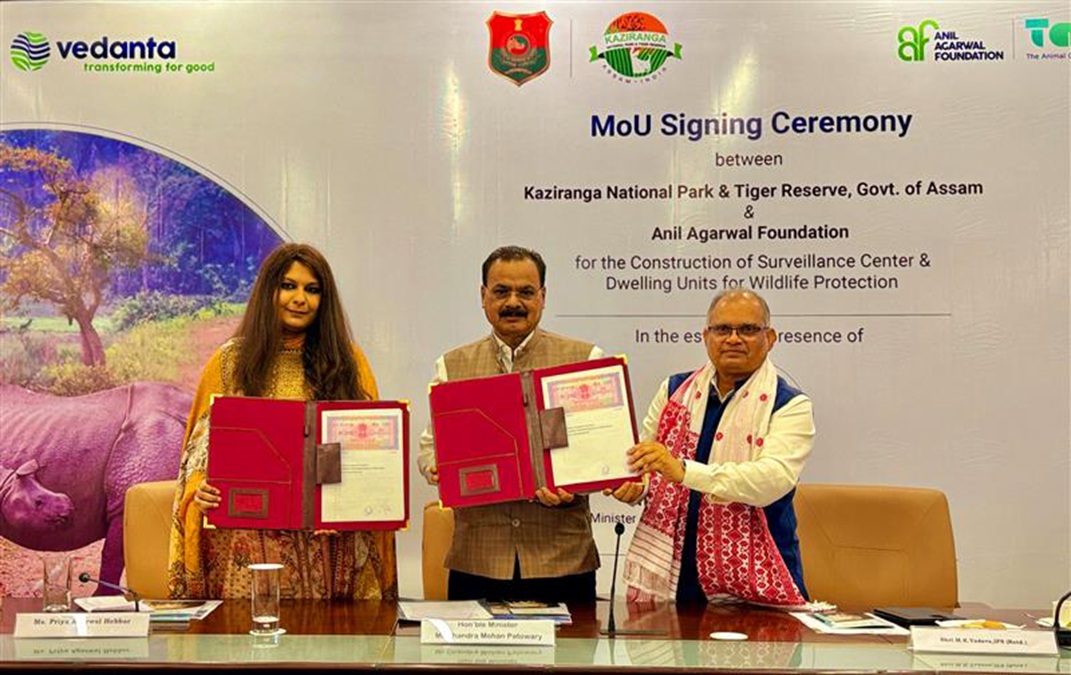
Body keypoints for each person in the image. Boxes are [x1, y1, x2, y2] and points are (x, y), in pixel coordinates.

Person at [167, 243, 397, 600]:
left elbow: (368, 451)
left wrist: (342, 508)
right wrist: (202, 489)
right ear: (268, 291)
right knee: (253, 633)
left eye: (312, 289)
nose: (300, 299)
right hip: (249, 541)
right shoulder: (230, 362)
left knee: (334, 637)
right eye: (288, 286)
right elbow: (197, 455)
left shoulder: (348, 361)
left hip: (331, 543)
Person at [418, 245, 640, 603]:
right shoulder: (451, 365)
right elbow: (430, 448)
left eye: (525, 292)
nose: (513, 303)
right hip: (478, 561)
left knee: (572, 645)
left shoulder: (585, 359)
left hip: (563, 561)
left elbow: (604, 449)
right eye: (501, 291)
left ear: (543, 297)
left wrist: (578, 484)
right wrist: (437, 466)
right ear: (483, 296)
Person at [622, 289, 814, 606]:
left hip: (759, 581)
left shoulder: (789, 404)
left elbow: (772, 480)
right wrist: (634, 486)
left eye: (747, 329)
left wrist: (683, 471)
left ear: (770, 338)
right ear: (706, 336)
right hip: (676, 575)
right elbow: (646, 464)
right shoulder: (673, 391)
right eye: (723, 329)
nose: (733, 339)